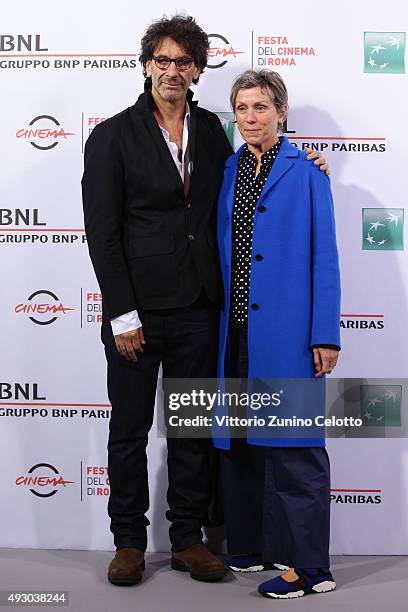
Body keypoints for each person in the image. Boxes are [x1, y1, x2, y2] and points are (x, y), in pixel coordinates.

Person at [82, 15, 330, 587]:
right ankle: (128, 541)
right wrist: (122, 313)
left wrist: (308, 162)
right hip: (137, 314)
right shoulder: (112, 136)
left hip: (202, 310)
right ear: (147, 65)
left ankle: (189, 538)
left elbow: (256, 175)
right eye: (162, 61)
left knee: (193, 428)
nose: (172, 71)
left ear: (197, 70)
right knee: (129, 429)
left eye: (184, 63)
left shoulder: (216, 133)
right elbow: (103, 232)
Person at [215, 69, 341, 599]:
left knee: (296, 448)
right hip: (234, 333)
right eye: (242, 108)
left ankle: (311, 568)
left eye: (261, 107)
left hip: (288, 334)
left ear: (281, 112)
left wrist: (325, 334)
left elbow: (324, 257)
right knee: (241, 443)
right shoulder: (228, 168)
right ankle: (249, 547)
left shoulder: (308, 172)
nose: (250, 118)